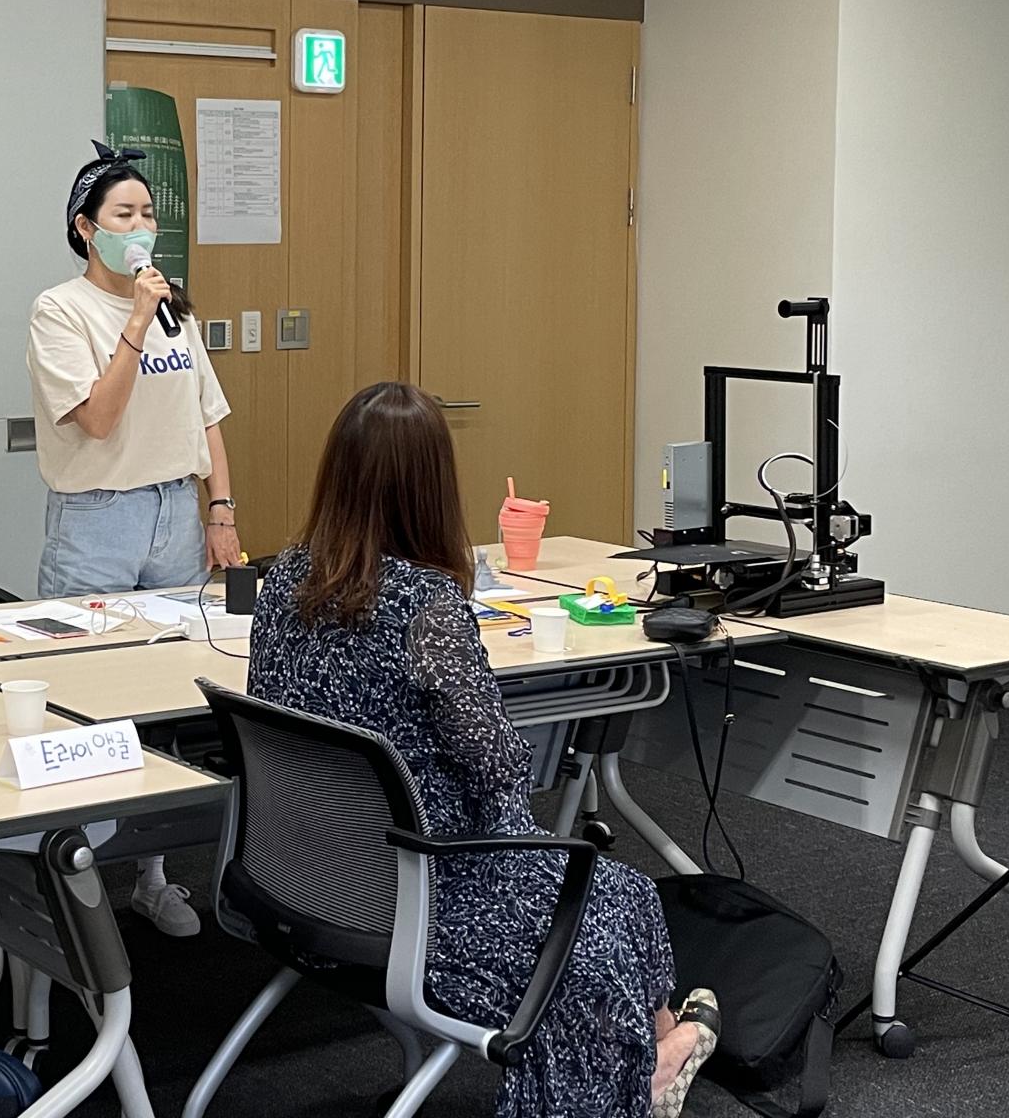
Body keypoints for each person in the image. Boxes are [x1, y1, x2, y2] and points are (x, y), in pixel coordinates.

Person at [247, 382, 720, 1118]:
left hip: (303, 880)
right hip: (422, 893)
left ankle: (657, 1049)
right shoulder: (427, 608)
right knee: (613, 896)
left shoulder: (281, 580)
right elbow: (500, 767)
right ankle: (650, 1068)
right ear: (431, 487)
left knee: (605, 893)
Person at [26, 147, 239, 938]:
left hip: (173, 511)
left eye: (148, 214)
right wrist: (137, 323)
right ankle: (70, 880)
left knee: (171, 688)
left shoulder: (175, 311)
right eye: (124, 214)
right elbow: (98, 418)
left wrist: (221, 510)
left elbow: (207, 417)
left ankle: (153, 876)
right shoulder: (61, 311)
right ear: (86, 229)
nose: (141, 227)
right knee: (86, 698)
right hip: (96, 520)